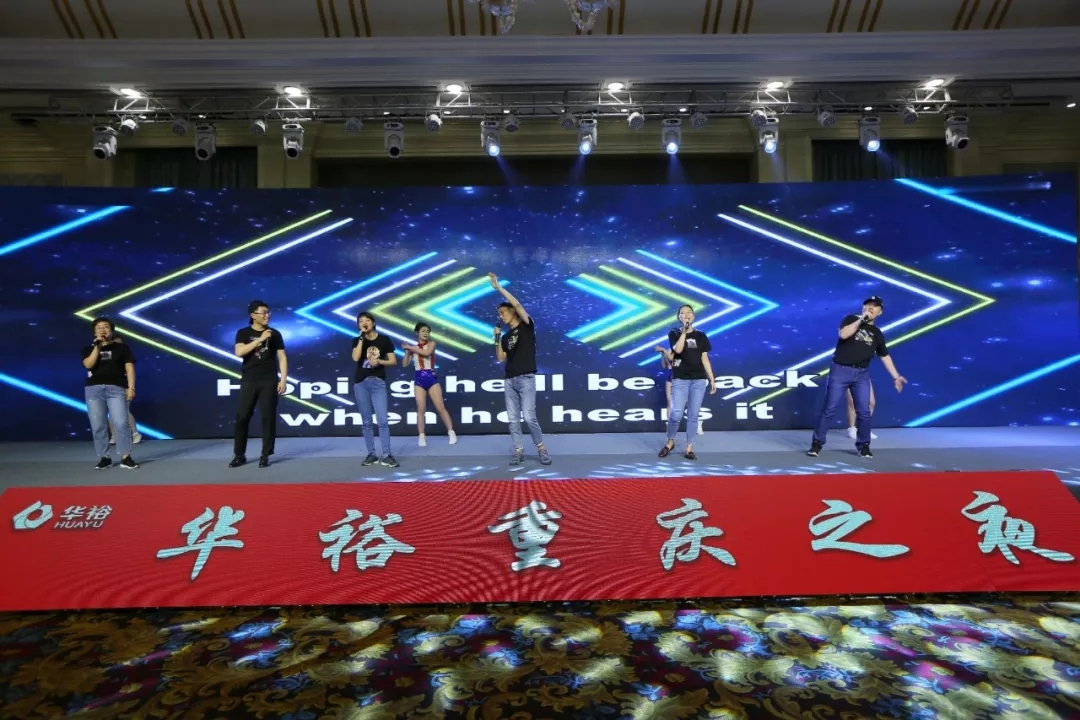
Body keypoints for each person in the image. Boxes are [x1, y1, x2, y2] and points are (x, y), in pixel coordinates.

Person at [808, 296, 907, 459]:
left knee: (864, 411)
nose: (871, 308)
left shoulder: (877, 333)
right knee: (829, 408)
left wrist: (896, 376)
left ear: (880, 312)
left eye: (875, 306)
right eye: (868, 305)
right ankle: (817, 444)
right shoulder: (851, 319)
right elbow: (843, 334)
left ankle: (863, 446)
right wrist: (861, 320)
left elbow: (884, 355)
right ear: (863, 308)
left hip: (861, 374)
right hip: (840, 370)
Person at [491, 272, 551, 469]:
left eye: (503, 312)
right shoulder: (506, 337)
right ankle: (518, 451)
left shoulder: (527, 326)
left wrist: (499, 288)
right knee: (513, 419)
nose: (501, 316)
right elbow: (501, 358)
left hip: (526, 378)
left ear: (512, 311)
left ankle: (541, 448)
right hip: (510, 380)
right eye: (499, 314)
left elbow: (517, 304)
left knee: (529, 416)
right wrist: (497, 339)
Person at [231, 300, 287, 469]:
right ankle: (239, 455)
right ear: (253, 315)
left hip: (269, 380)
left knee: (268, 417)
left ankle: (265, 455)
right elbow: (239, 352)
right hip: (249, 379)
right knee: (242, 417)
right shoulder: (243, 333)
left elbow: (282, 357)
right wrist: (260, 339)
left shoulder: (275, 334)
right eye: (263, 312)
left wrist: (283, 379)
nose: (266, 315)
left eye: (268, 312)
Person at [659, 305, 716, 461]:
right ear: (679, 317)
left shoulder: (701, 335)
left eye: (689, 312)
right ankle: (670, 442)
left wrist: (711, 378)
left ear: (694, 316)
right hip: (680, 378)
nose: (686, 315)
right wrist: (684, 332)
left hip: (698, 380)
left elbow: (704, 358)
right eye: (682, 313)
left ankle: (689, 447)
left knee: (693, 415)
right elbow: (678, 350)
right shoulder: (674, 333)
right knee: (676, 413)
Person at [82, 317, 139, 469]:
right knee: (98, 425)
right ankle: (104, 457)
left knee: (121, 422)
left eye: (106, 327)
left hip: (117, 388)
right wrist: (97, 347)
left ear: (111, 330)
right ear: (94, 332)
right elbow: (88, 364)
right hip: (94, 389)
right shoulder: (88, 349)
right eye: (99, 327)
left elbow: (129, 369)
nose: (102, 329)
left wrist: (131, 387)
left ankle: (125, 456)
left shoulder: (122, 348)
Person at [352, 311, 399, 468]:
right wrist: (361, 338)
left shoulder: (384, 339)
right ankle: (371, 454)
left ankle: (387, 455)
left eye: (367, 320)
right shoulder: (356, 340)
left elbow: (393, 361)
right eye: (361, 321)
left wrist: (380, 361)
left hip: (378, 382)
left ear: (373, 323)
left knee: (383, 420)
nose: (364, 323)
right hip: (361, 383)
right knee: (366, 421)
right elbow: (355, 358)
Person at [402, 322, 457, 447]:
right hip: (418, 379)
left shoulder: (432, 344)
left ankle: (451, 432)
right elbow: (405, 364)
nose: (426, 333)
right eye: (423, 331)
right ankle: (421, 436)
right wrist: (407, 352)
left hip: (431, 378)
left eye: (427, 331)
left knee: (440, 407)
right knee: (421, 409)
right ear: (417, 333)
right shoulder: (413, 348)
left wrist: (410, 348)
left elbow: (426, 353)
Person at [656, 344, 704, 437]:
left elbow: (673, 360)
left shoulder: (683, 351)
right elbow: (664, 365)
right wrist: (662, 354)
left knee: (688, 402)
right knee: (670, 401)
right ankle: (670, 427)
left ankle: (697, 424)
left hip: (683, 377)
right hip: (671, 377)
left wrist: (663, 350)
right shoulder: (669, 350)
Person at [107, 334, 142, 446]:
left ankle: (135, 434)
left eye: (119, 343)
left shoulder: (125, 353)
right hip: (109, 386)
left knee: (124, 411)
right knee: (111, 413)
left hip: (124, 386)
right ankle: (114, 435)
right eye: (115, 343)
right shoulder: (107, 354)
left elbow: (130, 372)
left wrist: (130, 388)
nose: (117, 345)